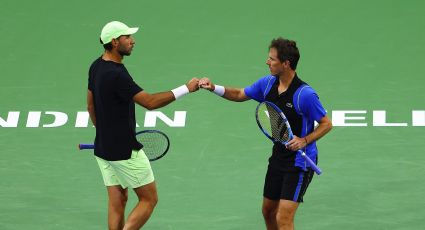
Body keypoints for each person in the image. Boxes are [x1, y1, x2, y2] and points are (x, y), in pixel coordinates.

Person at [199, 37, 332, 230]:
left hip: (299, 162)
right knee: (268, 212)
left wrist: (304, 140)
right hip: (279, 156)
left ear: (286, 64)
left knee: (283, 218)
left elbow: (326, 124)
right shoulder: (268, 84)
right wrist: (213, 88)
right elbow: (239, 94)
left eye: (272, 59)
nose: (267, 62)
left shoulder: (305, 95)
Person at [86, 21, 199, 230]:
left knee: (117, 199)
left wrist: (103, 133)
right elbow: (150, 102)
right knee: (149, 199)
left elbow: (90, 104)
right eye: (127, 37)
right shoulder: (117, 74)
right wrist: (186, 88)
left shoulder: (96, 65)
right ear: (114, 42)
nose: (132, 41)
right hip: (124, 151)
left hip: (103, 148)